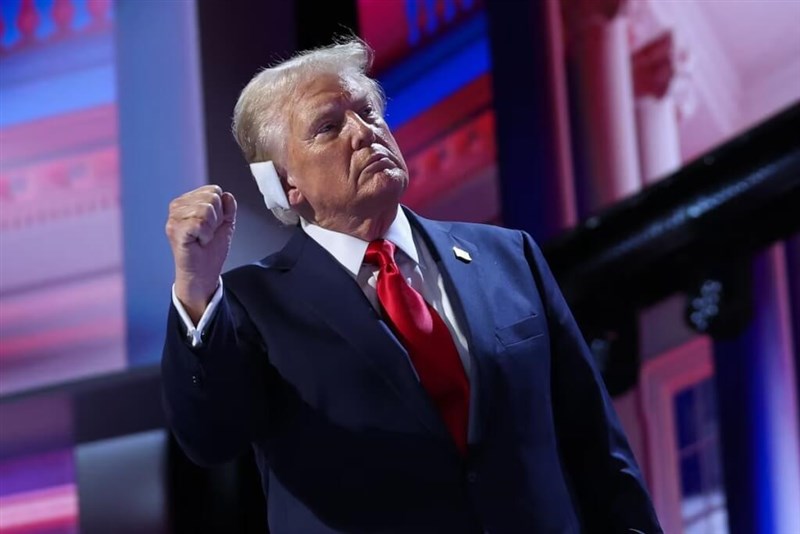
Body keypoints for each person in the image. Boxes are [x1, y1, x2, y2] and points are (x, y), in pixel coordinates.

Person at [162, 39, 662, 533]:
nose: (364, 133)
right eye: (329, 127)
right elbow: (211, 439)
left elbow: (595, 444)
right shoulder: (253, 302)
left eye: (368, 113)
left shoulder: (509, 257)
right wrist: (195, 285)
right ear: (285, 185)